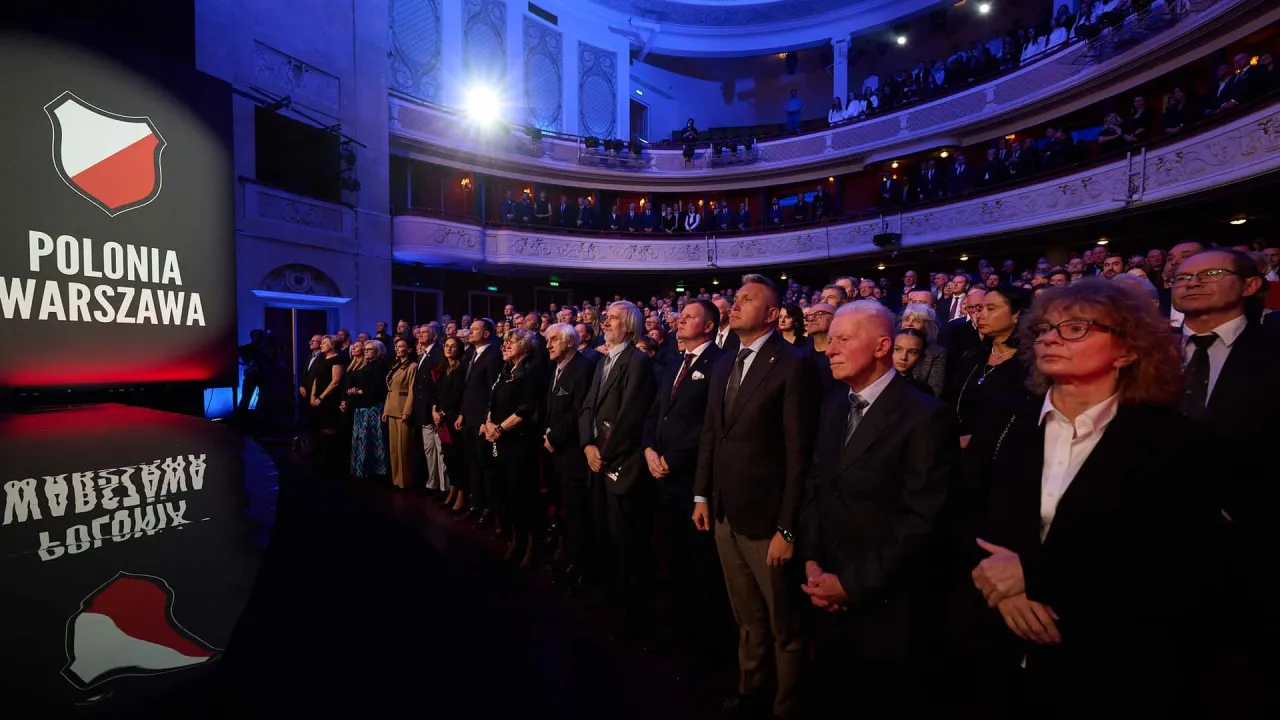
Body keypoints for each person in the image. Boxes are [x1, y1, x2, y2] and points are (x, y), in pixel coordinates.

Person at [951, 279, 1217, 717]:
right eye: (1044, 329)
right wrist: (1003, 591)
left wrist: (1033, 577)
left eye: (1075, 328)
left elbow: (1173, 560)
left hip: (1107, 662)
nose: (1049, 338)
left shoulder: (1174, 441)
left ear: (1127, 349)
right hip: (991, 646)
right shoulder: (1006, 420)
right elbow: (965, 511)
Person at [801, 302, 959, 713]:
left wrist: (851, 584)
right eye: (830, 339)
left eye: (842, 339)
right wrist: (812, 561)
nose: (830, 349)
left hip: (888, 605)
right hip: (826, 587)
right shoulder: (835, 402)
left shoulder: (926, 416)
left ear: (882, 346)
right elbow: (817, 484)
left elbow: (922, 520)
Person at [693, 274, 819, 720]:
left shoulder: (793, 363)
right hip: (724, 512)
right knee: (747, 617)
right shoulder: (726, 360)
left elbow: (799, 454)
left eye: (747, 299)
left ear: (772, 314)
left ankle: (786, 707)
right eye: (736, 297)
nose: (735, 303)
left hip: (768, 522)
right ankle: (752, 693)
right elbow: (712, 432)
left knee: (784, 623)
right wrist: (702, 494)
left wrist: (788, 527)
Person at [642, 299, 724, 658]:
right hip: (661, 475)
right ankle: (674, 630)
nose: (681, 321)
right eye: (681, 316)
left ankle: (702, 644)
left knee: (697, 565)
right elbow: (655, 412)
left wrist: (672, 459)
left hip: (693, 479)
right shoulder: (675, 362)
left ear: (709, 326)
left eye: (690, 317)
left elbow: (710, 425)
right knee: (671, 558)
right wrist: (648, 449)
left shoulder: (720, 363)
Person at [580, 301, 657, 644]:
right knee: (606, 536)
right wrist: (587, 445)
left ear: (629, 326)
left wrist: (604, 454)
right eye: (606, 317)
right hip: (598, 460)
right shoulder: (603, 360)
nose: (605, 322)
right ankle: (611, 596)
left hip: (621, 465)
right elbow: (587, 406)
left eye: (612, 318)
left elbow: (630, 416)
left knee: (630, 546)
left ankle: (637, 618)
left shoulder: (638, 361)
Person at [543, 324, 598, 591]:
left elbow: (579, 411)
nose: (548, 345)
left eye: (553, 340)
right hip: (557, 452)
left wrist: (553, 437)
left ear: (569, 342)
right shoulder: (558, 368)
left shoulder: (583, 368)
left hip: (573, 452)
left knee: (578, 515)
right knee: (566, 510)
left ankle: (583, 568)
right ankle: (571, 560)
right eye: (547, 340)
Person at [484, 328, 543, 567]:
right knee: (507, 492)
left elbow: (527, 408)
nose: (505, 346)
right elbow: (493, 401)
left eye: (512, 342)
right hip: (501, 440)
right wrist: (489, 423)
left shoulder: (533, 369)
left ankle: (532, 545)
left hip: (521, 442)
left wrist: (499, 429)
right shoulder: (507, 369)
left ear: (526, 346)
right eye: (505, 342)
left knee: (523, 494)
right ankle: (516, 540)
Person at [949, 286, 1034, 443]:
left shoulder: (1030, 364)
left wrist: (976, 441)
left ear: (1017, 314)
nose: (980, 315)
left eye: (990, 308)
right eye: (980, 309)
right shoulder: (973, 356)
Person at [458, 319, 504, 525]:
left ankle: (489, 507)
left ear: (486, 334)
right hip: (468, 418)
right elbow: (468, 389)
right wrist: (461, 413)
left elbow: (493, 391)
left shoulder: (493, 356)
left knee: (485, 465)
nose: (470, 332)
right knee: (472, 463)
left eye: (475, 329)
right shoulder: (472, 354)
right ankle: (475, 503)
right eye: (471, 329)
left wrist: (487, 419)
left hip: (482, 422)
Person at [345, 341, 389, 478]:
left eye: (370, 349)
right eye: (365, 349)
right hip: (361, 406)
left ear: (378, 351)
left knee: (371, 439)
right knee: (361, 438)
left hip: (372, 406)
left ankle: (375, 470)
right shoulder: (367, 364)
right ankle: (361, 468)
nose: (367, 351)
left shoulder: (380, 365)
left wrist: (358, 391)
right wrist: (355, 389)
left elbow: (377, 387)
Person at [434, 337, 468, 511]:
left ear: (459, 349)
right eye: (447, 346)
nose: (449, 349)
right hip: (441, 419)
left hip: (454, 418)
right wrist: (435, 411)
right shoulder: (442, 368)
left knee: (457, 456)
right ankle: (452, 489)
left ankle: (462, 493)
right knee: (448, 456)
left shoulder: (462, 368)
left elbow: (459, 395)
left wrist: (444, 412)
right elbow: (436, 394)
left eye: (453, 346)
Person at [383, 337, 417, 490]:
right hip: (392, 408)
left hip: (402, 409)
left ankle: (405, 481)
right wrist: (386, 409)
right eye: (396, 346)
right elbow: (390, 390)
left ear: (409, 349)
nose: (397, 348)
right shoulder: (396, 365)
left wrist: (407, 411)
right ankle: (396, 479)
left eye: (401, 346)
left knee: (404, 448)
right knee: (394, 448)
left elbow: (412, 390)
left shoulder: (412, 366)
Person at [309, 335, 347, 469]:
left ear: (332, 345)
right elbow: (316, 378)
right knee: (319, 428)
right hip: (318, 397)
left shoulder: (337, 359)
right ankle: (321, 459)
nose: (321, 345)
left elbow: (335, 381)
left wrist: (321, 398)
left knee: (329, 429)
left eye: (324, 343)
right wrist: (313, 395)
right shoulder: (321, 358)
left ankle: (332, 462)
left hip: (330, 398)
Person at [900, 304, 947, 396]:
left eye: (917, 321)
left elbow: (935, 392)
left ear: (927, 327)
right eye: (907, 319)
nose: (909, 324)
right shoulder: (891, 347)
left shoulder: (937, 353)